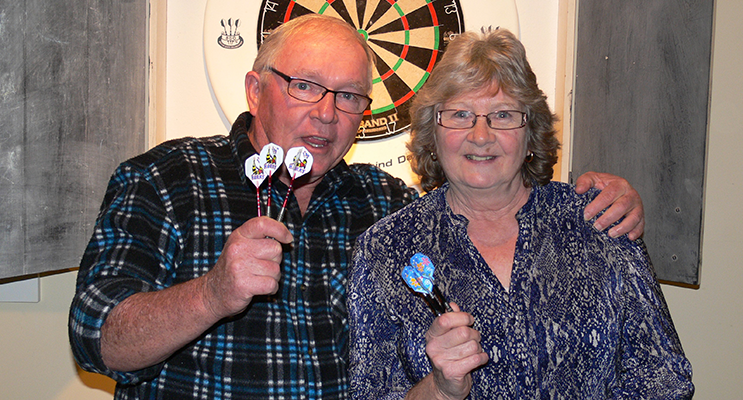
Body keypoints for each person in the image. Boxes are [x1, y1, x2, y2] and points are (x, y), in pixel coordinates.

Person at [69, 14, 645, 400]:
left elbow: (488, 198)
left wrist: (597, 199)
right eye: (304, 86)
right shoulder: (166, 178)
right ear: (254, 89)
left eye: (348, 96)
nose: (326, 113)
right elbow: (96, 339)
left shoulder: (384, 205)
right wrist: (212, 293)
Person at [348, 28, 693, 399]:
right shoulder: (386, 249)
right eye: (460, 114)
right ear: (432, 134)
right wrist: (440, 387)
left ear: (531, 133)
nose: (481, 135)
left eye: (503, 114)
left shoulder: (599, 220)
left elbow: (665, 380)